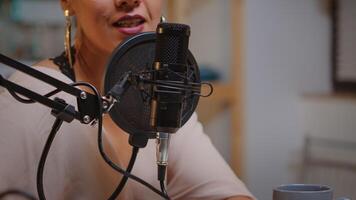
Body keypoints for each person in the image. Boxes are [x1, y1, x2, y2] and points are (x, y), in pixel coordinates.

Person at [0, 0, 254, 199]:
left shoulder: (161, 91)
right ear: (67, 1)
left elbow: (224, 192)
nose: (129, 0)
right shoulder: (31, 102)